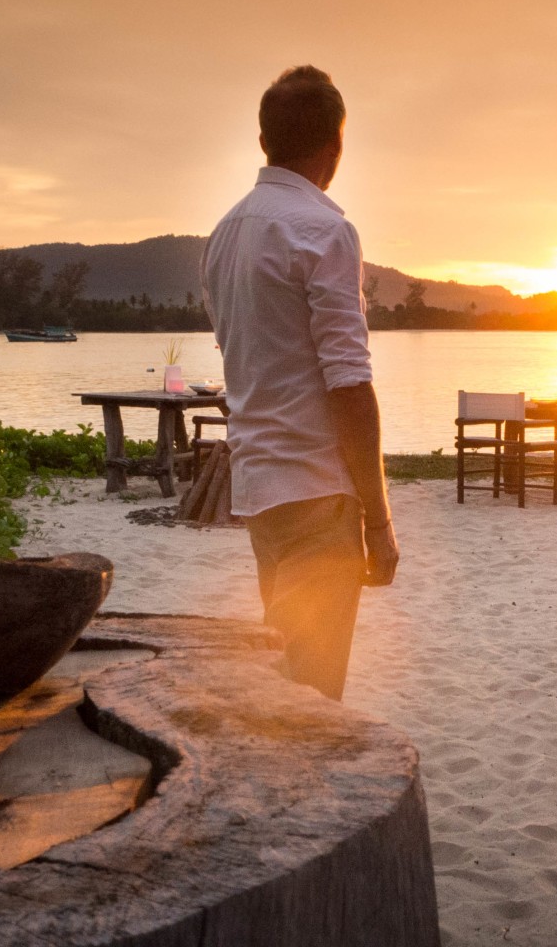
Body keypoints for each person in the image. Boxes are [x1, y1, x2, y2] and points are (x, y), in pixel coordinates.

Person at [202, 65, 399, 700]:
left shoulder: (224, 235)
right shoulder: (323, 230)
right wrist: (380, 518)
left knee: (284, 679)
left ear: (265, 141)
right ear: (335, 145)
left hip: (259, 486)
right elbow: (348, 384)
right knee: (311, 695)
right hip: (318, 491)